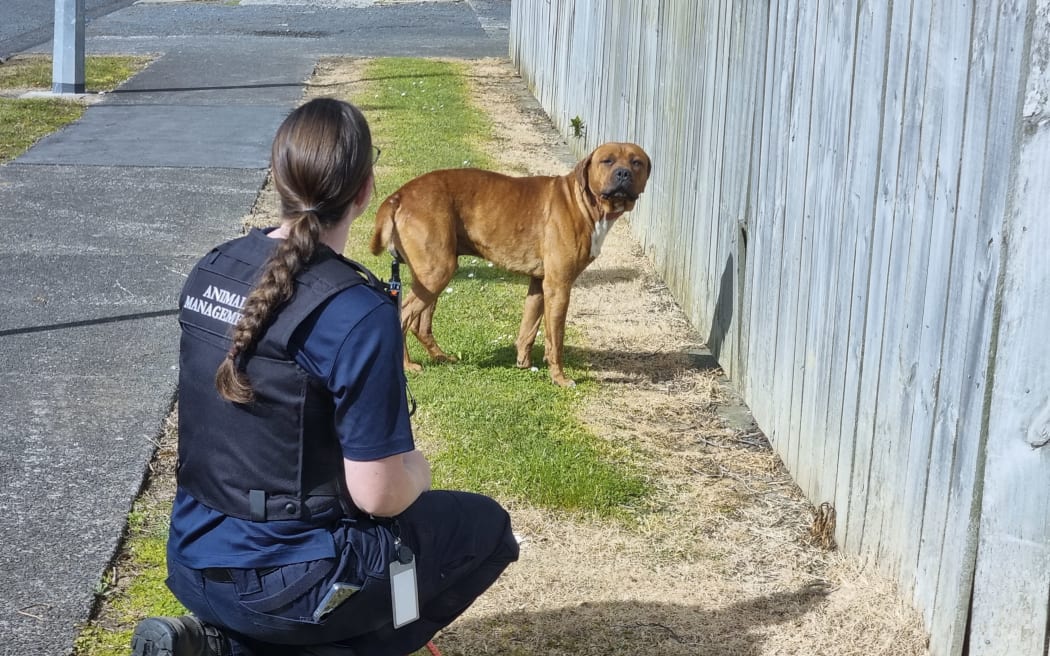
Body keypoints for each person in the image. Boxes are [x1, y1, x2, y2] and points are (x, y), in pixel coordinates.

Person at [130, 97, 519, 656]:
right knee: (485, 530)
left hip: (192, 556)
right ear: (364, 191)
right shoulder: (356, 312)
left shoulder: (211, 267)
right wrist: (419, 469)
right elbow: (380, 495)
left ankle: (218, 645)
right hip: (288, 585)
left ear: (279, 177)